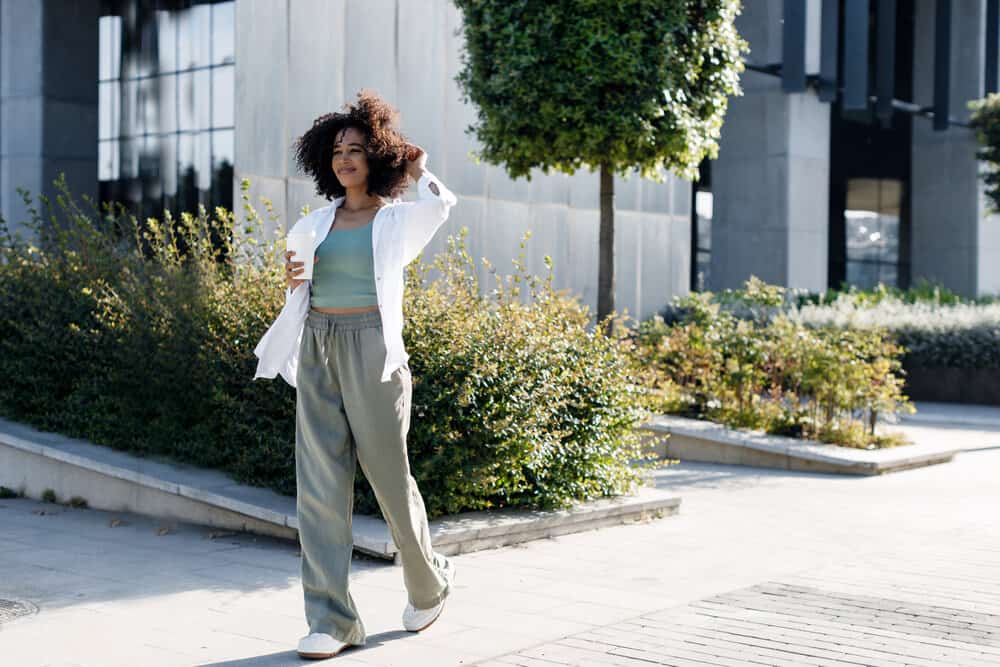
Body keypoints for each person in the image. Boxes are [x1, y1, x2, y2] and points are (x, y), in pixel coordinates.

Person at [252, 90, 458, 660]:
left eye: (358, 150)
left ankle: (428, 584)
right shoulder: (312, 223)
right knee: (318, 486)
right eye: (338, 150)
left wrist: (420, 171)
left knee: (390, 479)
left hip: (373, 350)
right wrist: (293, 283)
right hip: (318, 346)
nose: (346, 159)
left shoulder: (394, 221)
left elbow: (440, 207)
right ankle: (331, 620)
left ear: (378, 158)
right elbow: (300, 289)